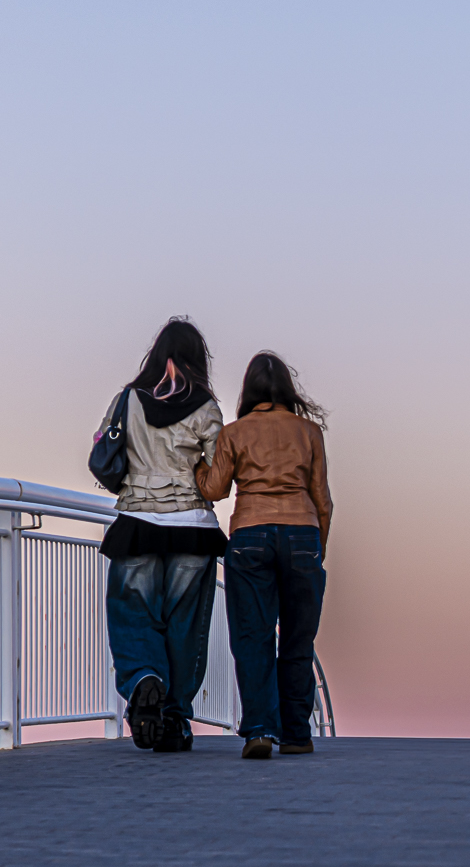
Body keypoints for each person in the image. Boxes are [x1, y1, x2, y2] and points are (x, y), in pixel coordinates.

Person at [97, 318, 227, 753]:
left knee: (133, 614)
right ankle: (174, 719)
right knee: (186, 627)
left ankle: (143, 680)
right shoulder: (206, 406)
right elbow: (218, 474)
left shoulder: (127, 399)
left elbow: (103, 448)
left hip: (137, 522)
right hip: (192, 528)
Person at [197, 351, 332, 760]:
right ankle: (296, 733)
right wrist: (316, 548)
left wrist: (196, 468)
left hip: (251, 534)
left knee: (253, 636)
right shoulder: (308, 432)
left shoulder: (236, 433)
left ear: (248, 390)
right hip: (302, 534)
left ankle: (259, 730)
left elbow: (216, 489)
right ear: (288, 392)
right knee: (298, 638)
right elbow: (322, 499)